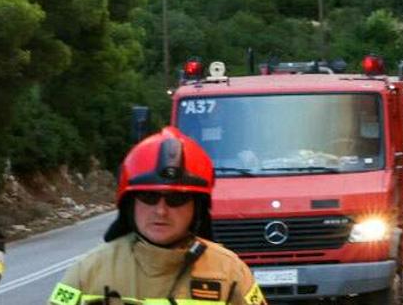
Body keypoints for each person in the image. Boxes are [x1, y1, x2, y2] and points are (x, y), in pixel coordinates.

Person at [51, 127, 266, 304]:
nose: (161, 210)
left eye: (176, 199)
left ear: (197, 208)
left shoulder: (229, 272)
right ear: (130, 203)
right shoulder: (89, 271)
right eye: (148, 196)